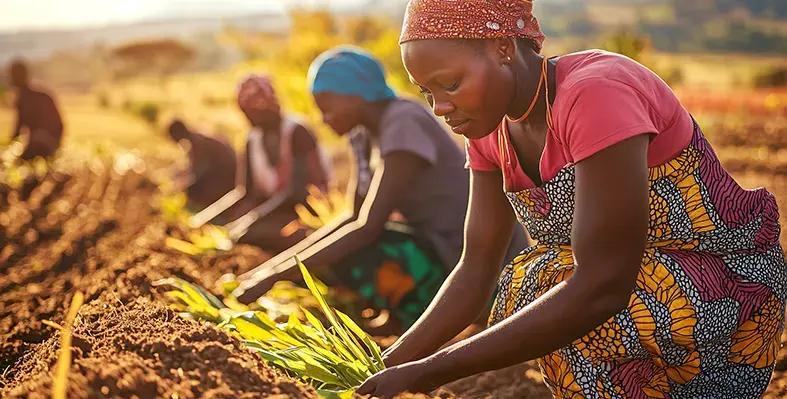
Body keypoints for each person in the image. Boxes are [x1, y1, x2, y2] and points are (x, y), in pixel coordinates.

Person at [356, 1, 787, 398]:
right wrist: (385, 365)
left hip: (723, 292)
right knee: (529, 281)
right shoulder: (487, 128)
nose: (439, 107)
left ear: (503, 48)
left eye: (450, 84)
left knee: (548, 286)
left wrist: (429, 372)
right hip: (635, 290)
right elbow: (475, 268)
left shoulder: (596, 92)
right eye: (427, 92)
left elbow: (603, 283)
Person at [230, 46, 528, 334]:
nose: (323, 118)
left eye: (327, 106)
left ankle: (437, 311)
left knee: (355, 249)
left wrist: (274, 276)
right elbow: (352, 215)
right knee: (327, 244)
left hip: (477, 257)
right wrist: (271, 269)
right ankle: (401, 312)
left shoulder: (403, 120)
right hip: (434, 243)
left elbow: (368, 226)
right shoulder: (362, 135)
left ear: (355, 95)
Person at [210, 75, 332, 253]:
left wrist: (252, 218)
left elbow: (296, 191)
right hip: (274, 210)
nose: (248, 119)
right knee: (238, 230)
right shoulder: (252, 139)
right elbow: (244, 191)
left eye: (250, 113)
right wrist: (206, 219)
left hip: (306, 210)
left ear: (266, 107)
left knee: (255, 234)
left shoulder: (297, 132)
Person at [163, 119, 238, 209]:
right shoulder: (196, 138)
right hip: (226, 174)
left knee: (192, 190)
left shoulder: (197, 142)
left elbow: (199, 171)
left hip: (226, 178)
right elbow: (190, 167)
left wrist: (178, 186)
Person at [7, 59, 64, 161]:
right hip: (49, 143)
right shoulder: (36, 95)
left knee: (22, 160)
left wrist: (8, 148)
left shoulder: (24, 99)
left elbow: (18, 129)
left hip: (43, 143)